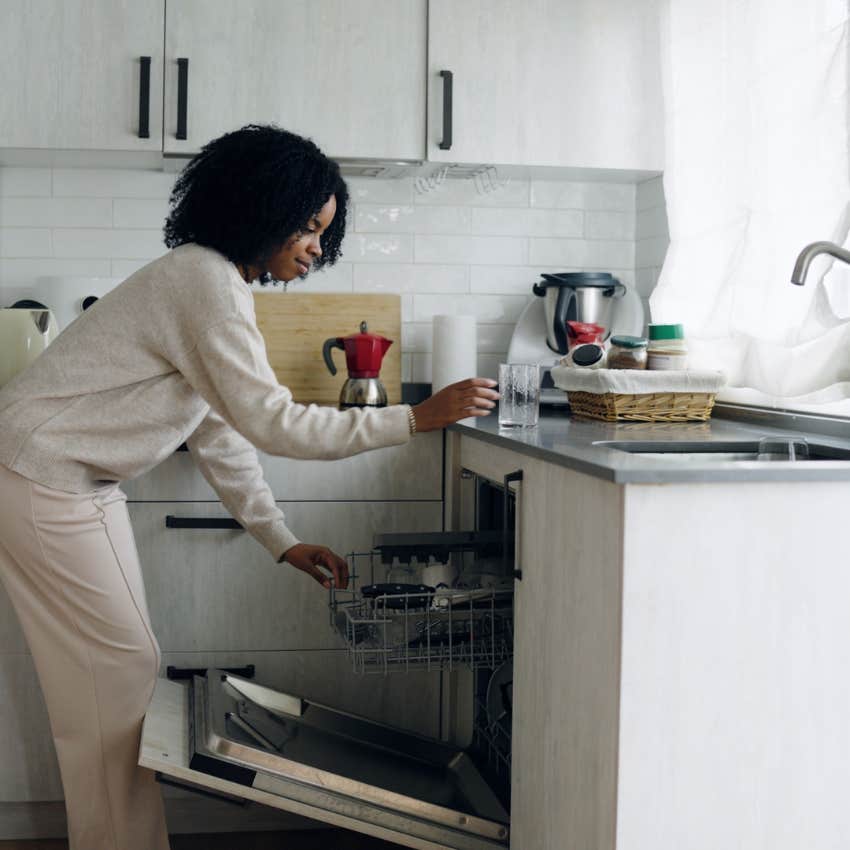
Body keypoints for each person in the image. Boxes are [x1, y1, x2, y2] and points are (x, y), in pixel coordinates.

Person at [0, 124, 499, 850]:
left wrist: (279, 537)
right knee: (115, 673)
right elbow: (275, 423)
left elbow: (219, 430)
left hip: (63, 479)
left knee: (111, 675)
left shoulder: (210, 282)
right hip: (43, 478)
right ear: (259, 207)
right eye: (307, 226)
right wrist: (416, 418)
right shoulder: (202, 281)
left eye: (323, 232)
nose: (315, 248)